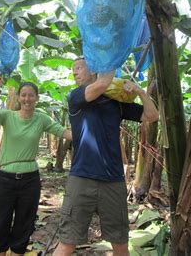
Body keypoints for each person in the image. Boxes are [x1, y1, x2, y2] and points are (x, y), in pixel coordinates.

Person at [53, 58, 159, 256]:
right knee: (68, 241)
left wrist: (139, 91)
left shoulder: (115, 103)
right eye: (72, 69)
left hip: (113, 180)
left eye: (78, 67)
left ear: (93, 68)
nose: (74, 72)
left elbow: (152, 116)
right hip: (82, 178)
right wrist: (111, 53)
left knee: (119, 242)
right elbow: (102, 83)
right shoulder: (76, 97)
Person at [0, 76, 72, 256]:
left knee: (25, 221)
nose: (27, 99)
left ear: (36, 98)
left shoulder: (41, 119)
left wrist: (92, 128)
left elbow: (65, 133)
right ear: (19, 98)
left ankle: (17, 253)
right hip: (5, 179)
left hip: (30, 180)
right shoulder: (8, 116)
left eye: (31, 96)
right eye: (23, 95)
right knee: (0, 221)